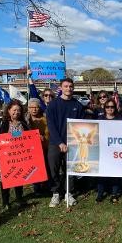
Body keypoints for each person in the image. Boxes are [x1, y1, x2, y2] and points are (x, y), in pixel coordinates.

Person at [46, 78, 85, 207]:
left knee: (70, 169)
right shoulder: (53, 105)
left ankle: (69, 192)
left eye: (71, 86)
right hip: (55, 143)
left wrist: (75, 141)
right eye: (66, 86)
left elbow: (81, 126)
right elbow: (51, 126)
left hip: (72, 143)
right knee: (54, 168)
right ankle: (56, 193)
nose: (69, 89)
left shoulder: (78, 106)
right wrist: (59, 142)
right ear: (61, 88)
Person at [0, 99, 29, 210]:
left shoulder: (24, 124)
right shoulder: (2, 122)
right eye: (14, 110)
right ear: (9, 110)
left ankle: (19, 198)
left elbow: (29, 139)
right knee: (5, 180)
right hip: (4, 158)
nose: (17, 112)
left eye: (19, 110)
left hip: (19, 157)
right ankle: (5, 202)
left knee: (19, 178)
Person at [96, 99, 122, 203]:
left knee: (115, 173)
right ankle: (100, 193)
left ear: (115, 108)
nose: (110, 109)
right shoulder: (100, 119)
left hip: (116, 150)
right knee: (102, 173)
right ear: (105, 108)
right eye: (107, 107)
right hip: (103, 150)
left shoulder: (120, 119)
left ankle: (115, 193)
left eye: (112, 107)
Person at [25, 98, 50, 196]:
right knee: (34, 168)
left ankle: (46, 185)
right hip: (31, 150)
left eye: (36, 107)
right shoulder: (25, 120)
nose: (34, 109)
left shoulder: (45, 118)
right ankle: (37, 188)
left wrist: (43, 137)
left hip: (45, 147)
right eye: (31, 107)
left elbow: (49, 132)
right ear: (28, 108)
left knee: (46, 167)